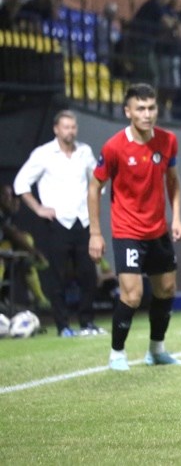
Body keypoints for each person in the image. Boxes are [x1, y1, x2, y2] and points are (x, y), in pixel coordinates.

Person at [88, 82, 181, 371]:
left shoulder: (168, 140)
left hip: (158, 230)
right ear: (128, 112)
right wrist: (95, 232)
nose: (147, 114)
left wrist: (176, 217)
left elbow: (173, 180)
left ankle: (156, 350)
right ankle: (117, 353)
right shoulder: (114, 147)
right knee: (132, 295)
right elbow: (94, 187)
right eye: (140, 108)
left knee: (166, 289)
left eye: (151, 108)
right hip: (127, 231)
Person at [13, 110, 104, 337]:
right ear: (56, 129)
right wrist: (38, 208)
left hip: (83, 220)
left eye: (73, 127)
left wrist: (94, 202)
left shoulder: (84, 151)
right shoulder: (43, 154)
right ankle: (63, 325)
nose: (70, 131)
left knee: (88, 274)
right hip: (58, 222)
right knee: (58, 276)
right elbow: (21, 183)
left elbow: (97, 181)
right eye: (66, 127)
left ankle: (87, 323)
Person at [0, 184, 50, 311]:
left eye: (10, 196)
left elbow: (15, 233)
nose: (9, 199)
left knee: (26, 248)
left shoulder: (7, 214)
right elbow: (11, 233)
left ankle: (39, 298)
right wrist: (34, 252)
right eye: (5, 196)